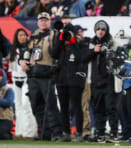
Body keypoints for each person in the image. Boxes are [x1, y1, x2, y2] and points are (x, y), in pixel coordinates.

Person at [19, 12, 65, 141]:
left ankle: (57, 133)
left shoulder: (53, 35)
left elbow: (56, 53)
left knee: (50, 105)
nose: (43, 22)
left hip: (46, 73)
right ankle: (44, 133)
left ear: (49, 22)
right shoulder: (33, 36)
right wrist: (21, 61)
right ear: (38, 22)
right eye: (41, 20)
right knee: (36, 105)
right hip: (33, 75)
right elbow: (25, 52)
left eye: (46, 20)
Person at [84, 20, 118, 142]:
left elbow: (118, 59)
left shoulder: (112, 42)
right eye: (98, 29)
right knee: (98, 109)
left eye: (103, 29)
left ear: (106, 30)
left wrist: (107, 51)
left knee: (111, 108)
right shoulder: (91, 43)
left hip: (109, 81)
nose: (100, 31)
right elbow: (83, 58)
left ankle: (114, 133)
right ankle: (101, 133)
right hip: (95, 81)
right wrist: (94, 52)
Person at [52, 23, 86, 142]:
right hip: (61, 80)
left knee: (77, 107)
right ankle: (66, 133)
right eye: (66, 33)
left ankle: (79, 133)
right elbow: (54, 54)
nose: (68, 35)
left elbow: (81, 57)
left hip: (75, 80)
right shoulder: (61, 45)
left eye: (69, 33)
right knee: (64, 108)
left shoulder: (81, 44)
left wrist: (73, 42)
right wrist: (60, 40)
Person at [8, 29, 37, 138]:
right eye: (20, 35)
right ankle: (19, 131)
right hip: (16, 80)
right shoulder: (13, 50)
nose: (22, 37)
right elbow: (11, 67)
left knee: (27, 105)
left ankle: (30, 132)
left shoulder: (30, 48)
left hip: (27, 79)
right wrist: (11, 81)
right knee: (18, 106)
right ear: (16, 37)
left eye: (24, 35)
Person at [0, 69, 14, 140]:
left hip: (5, 118)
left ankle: (8, 134)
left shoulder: (8, 89)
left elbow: (8, 102)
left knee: (2, 136)